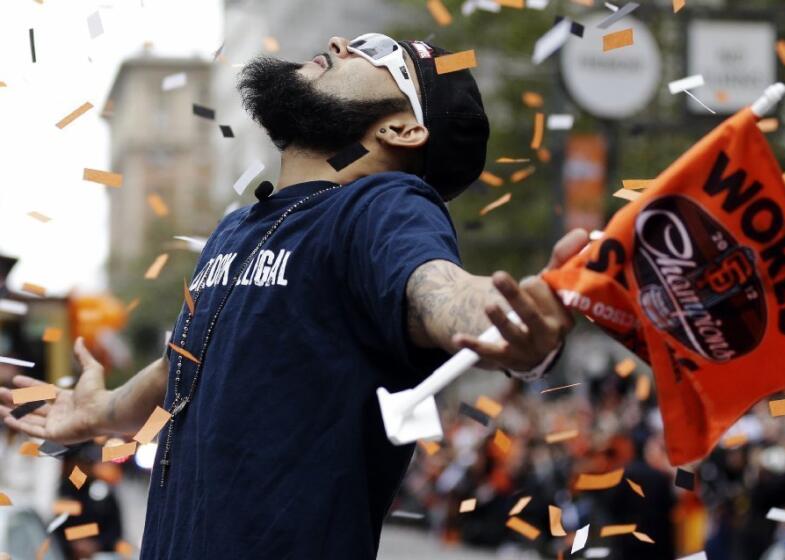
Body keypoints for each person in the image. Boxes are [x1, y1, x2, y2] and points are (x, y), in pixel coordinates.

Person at [0, 34, 587, 558]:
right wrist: (100, 413)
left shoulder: (382, 207)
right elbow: (183, 365)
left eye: (378, 51)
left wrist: (502, 321)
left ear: (402, 129)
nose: (341, 43)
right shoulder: (235, 228)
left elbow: (435, 288)